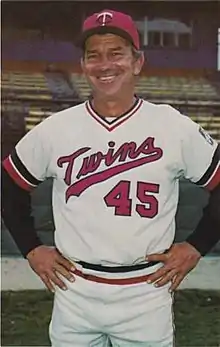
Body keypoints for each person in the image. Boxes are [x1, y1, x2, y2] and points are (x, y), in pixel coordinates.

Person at [2, 9, 220, 347]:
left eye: (116, 53)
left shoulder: (172, 126)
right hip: (74, 289)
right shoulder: (57, 128)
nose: (105, 64)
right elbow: (8, 184)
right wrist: (32, 249)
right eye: (94, 55)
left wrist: (196, 246)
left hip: (145, 291)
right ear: (85, 64)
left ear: (137, 62)